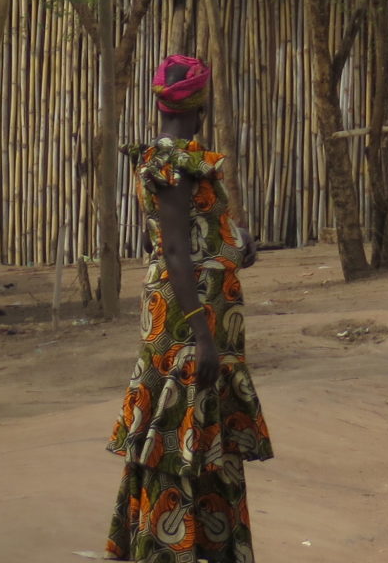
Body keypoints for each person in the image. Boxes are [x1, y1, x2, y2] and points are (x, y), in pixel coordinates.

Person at [105, 54, 273, 563]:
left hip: (190, 314)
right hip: (185, 321)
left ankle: (196, 546)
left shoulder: (174, 158)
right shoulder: (172, 162)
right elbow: (175, 250)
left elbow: (186, 237)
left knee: (194, 439)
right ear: (202, 103)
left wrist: (233, 240)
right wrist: (200, 334)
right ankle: (165, 550)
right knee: (178, 440)